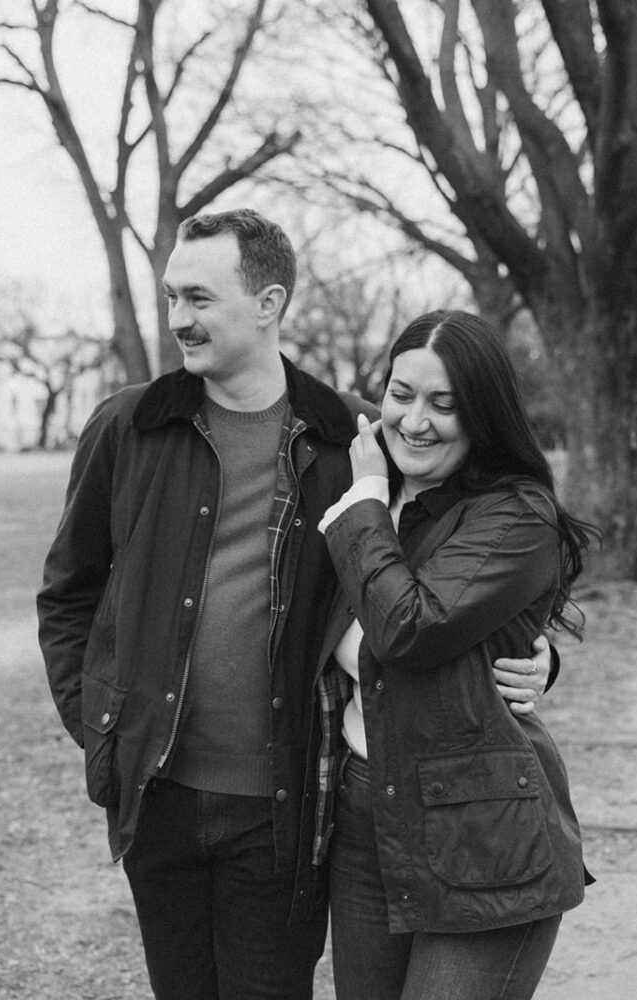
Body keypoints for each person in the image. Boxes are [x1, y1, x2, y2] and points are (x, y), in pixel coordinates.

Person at [36, 209, 556, 1000]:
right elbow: (70, 591)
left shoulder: (347, 441)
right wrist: (101, 728)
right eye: (173, 297)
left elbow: (436, 569)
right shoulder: (128, 426)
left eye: (201, 299)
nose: (180, 318)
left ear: (269, 302)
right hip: (159, 796)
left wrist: (537, 656)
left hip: (286, 807)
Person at [315, 309, 597, 1000]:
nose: (415, 421)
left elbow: (409, 629)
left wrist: (363, 504)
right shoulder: (380, 489)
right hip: (364, 808)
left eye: (445, 404)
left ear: (483, 416)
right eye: (402, 394)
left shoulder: (514, 514)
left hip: (481, 829)